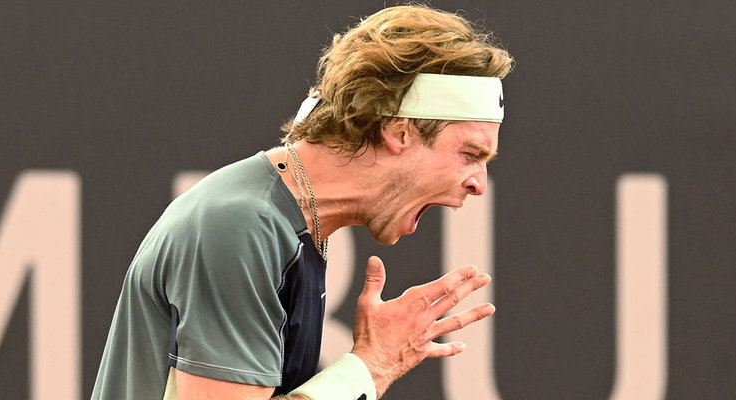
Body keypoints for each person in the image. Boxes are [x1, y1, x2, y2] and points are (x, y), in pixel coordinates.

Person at [91, 4, 513, 400]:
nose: (479, 184)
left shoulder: (288, 224)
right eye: (470, 154)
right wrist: (375, 365)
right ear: (398, 131)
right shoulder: (242, 225)